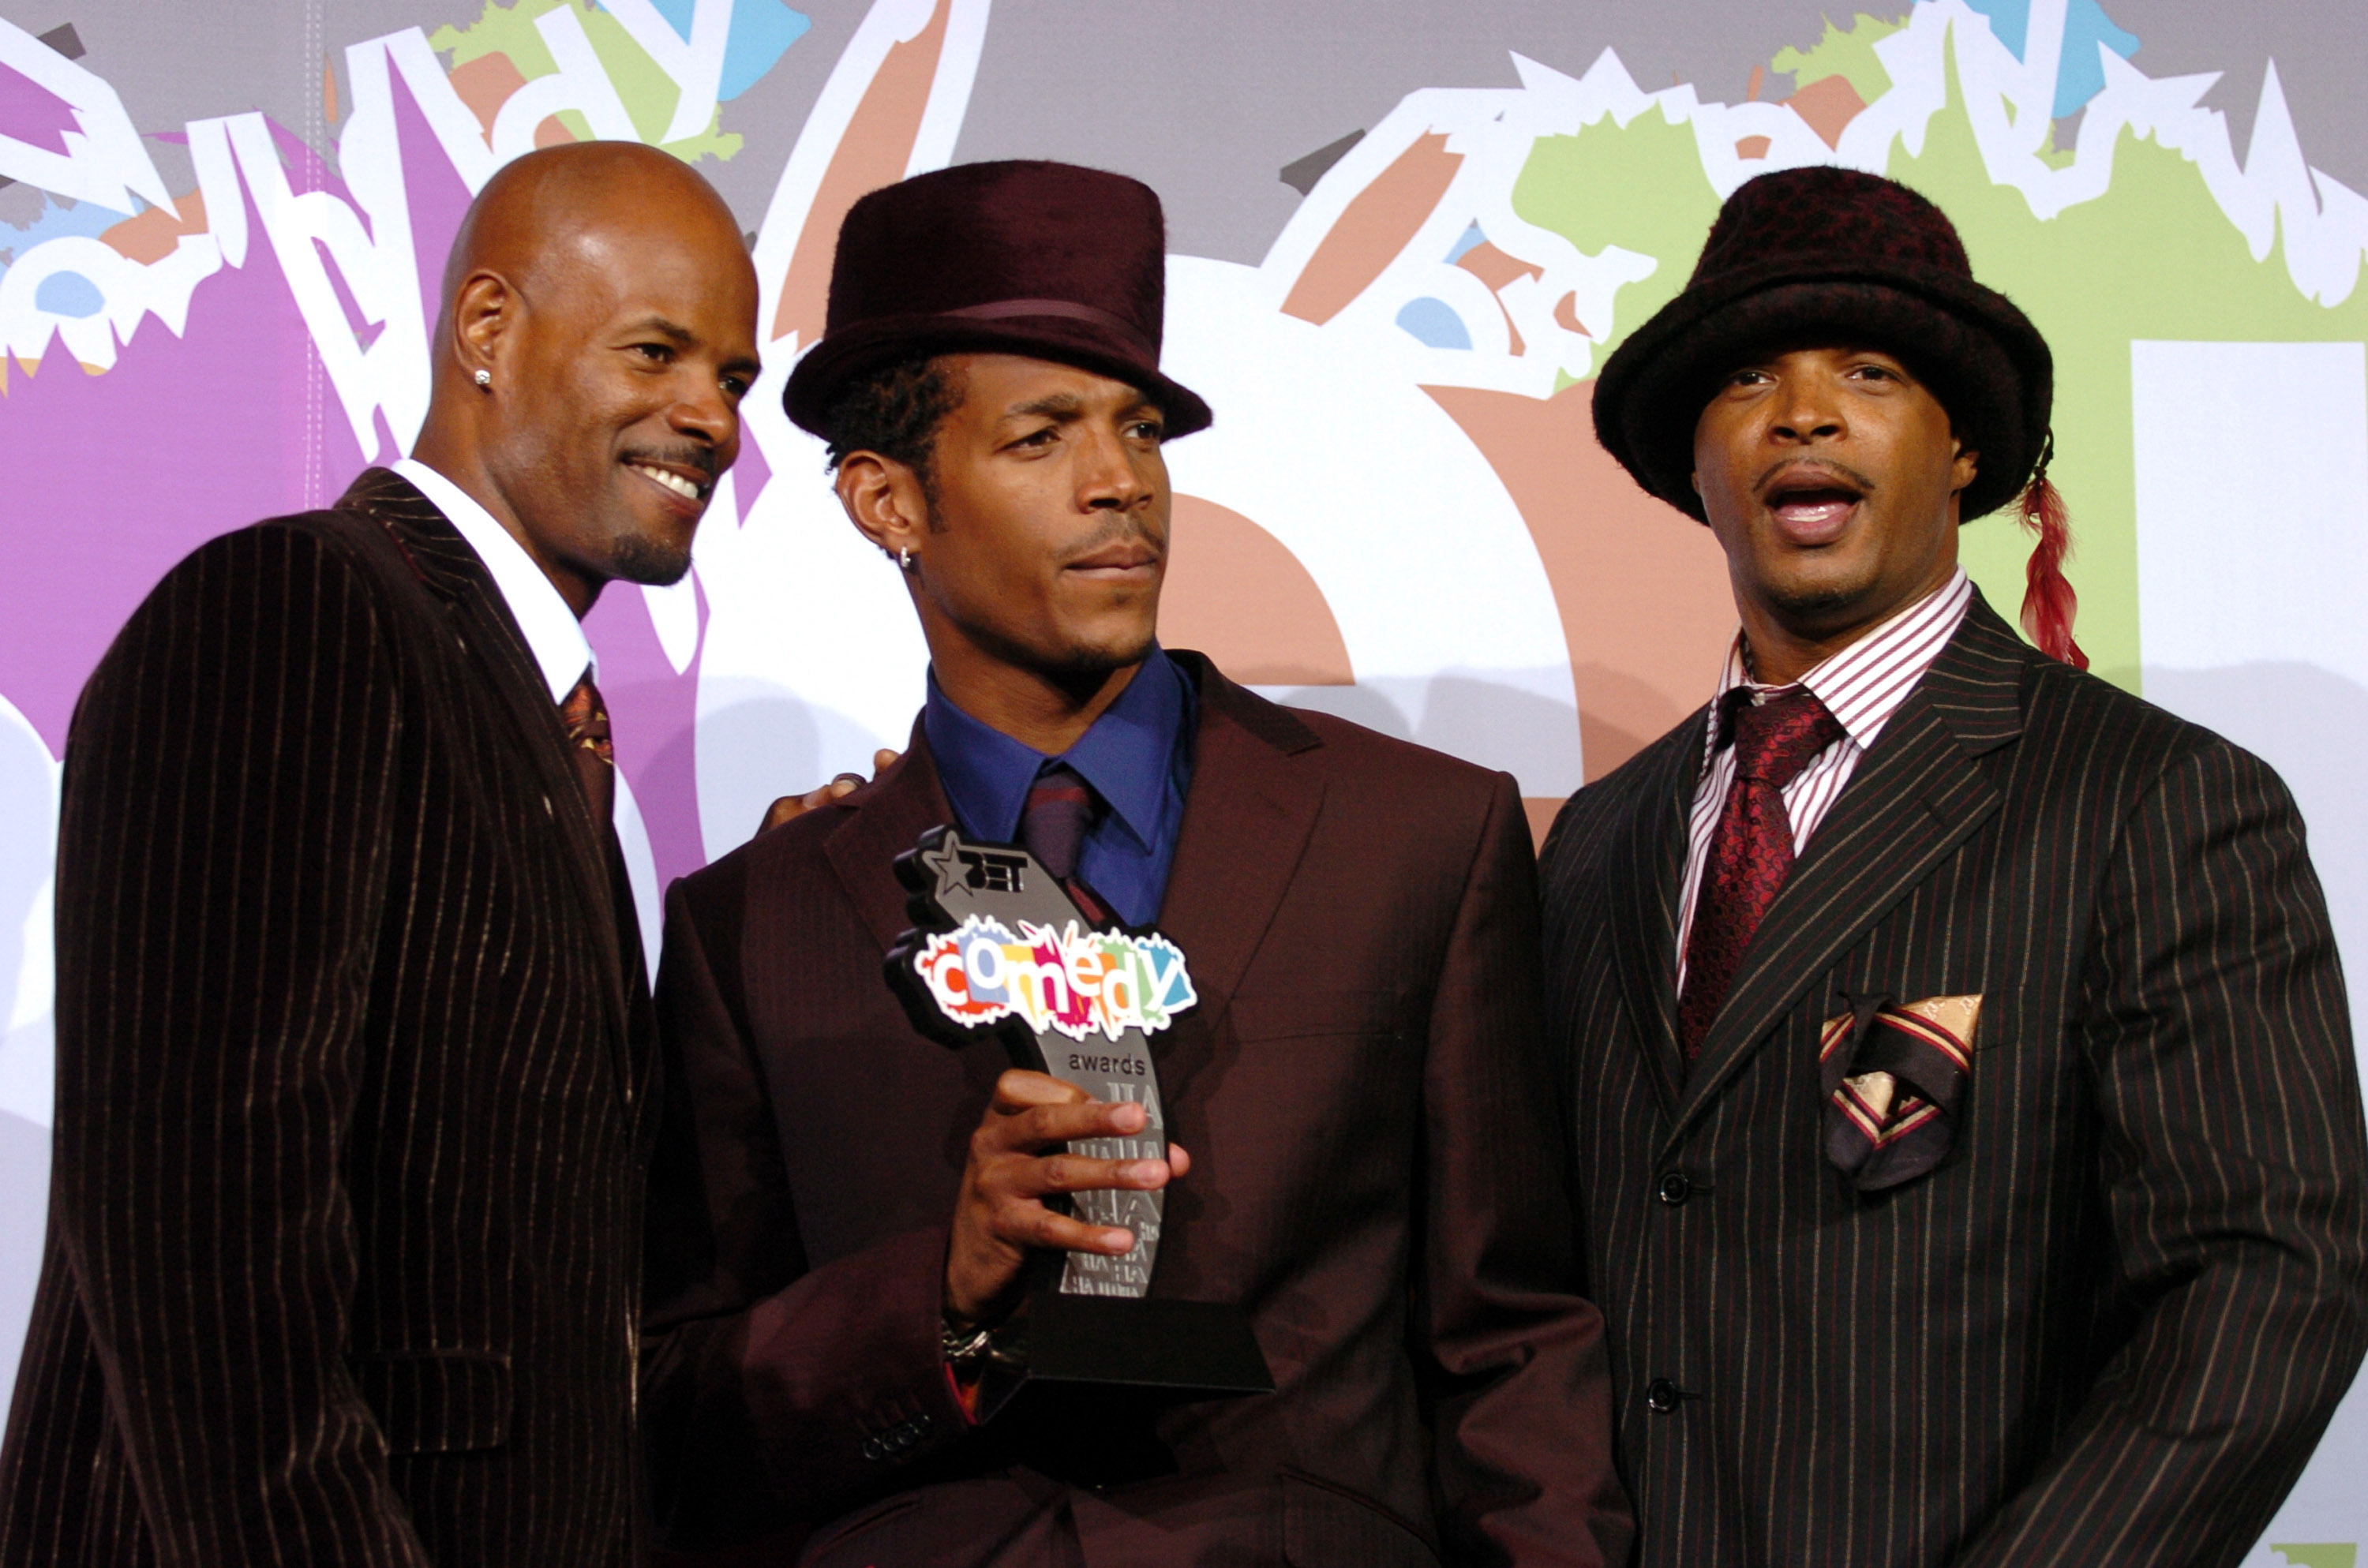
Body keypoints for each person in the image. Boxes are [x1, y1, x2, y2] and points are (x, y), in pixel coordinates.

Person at [639, 159, 1631, 1566]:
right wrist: (943, 1296)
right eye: (1041, 439)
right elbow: (675, 1409)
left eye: (1141, 432)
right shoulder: (756, 922)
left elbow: (1516, 1347)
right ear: (887, 502)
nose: (1122, 487)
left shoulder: (1419, 837)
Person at [1542, 163, 2368, 1566]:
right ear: (1694, 459)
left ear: (1967, 447)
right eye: (1746, 377)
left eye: (1867, 369)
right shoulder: (1600, 836)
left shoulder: (2157, 801)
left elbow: (2266, 1285)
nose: (1801, 410)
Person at [0, 142, 761, 1567]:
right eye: (654, 351)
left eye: (732, 379)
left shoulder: (537, 728)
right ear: (487, 329)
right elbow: (199, 1247)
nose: (706, 416)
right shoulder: (293, 615)